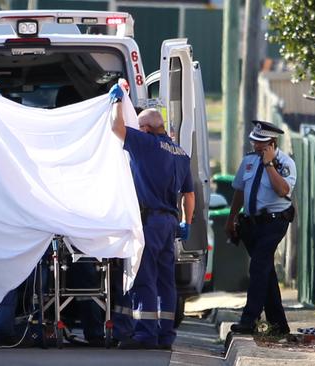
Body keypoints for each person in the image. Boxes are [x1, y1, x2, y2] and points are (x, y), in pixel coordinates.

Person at [109, 82, 195, 350]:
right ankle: (165, 335)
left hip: (148, 222)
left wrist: (115, 102)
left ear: (145, 130)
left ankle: (145, 335)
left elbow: (116, 128)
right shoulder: (181, 153)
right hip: (169, 223)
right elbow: (189, 196)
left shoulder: (145, 144)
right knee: (165, 281)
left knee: (143, 278)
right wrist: (186, 223)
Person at [225, 120, 296, 336]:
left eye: (261, 143)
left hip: (274, 222)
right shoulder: (248, 161)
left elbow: (283, 189)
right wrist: (231, 219)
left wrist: (269, 164)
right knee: (265, 271)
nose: (256, 145)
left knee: (258, 267)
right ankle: (278, 324)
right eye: (254, 141)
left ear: (272, 143)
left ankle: (249, 320)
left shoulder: (285, 163)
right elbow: (239, 191)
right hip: (251, 224)